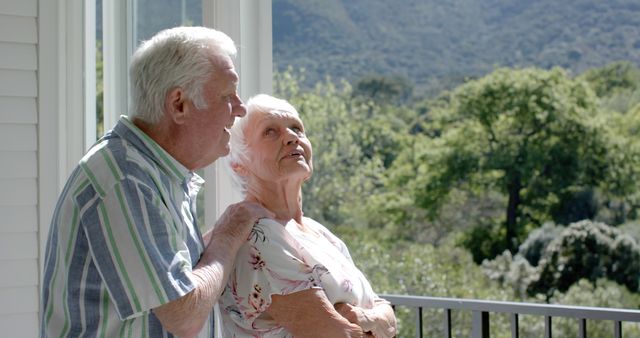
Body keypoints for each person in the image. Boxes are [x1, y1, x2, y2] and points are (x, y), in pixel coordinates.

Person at [40, 26, 273, 338]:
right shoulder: (126, 179)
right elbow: (184, 315)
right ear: (179, 104)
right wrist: (228, 236)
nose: (240, 109)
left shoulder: (154, 171)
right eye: (227, 95)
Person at [220, 94, 397, 337]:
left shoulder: (320, 233)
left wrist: (363, 316)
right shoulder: (257, 236)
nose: (292, 137)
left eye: (297, 128)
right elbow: (339, 334)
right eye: (270, 132)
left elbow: (386, 313)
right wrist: (369, 321)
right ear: (239, 163)